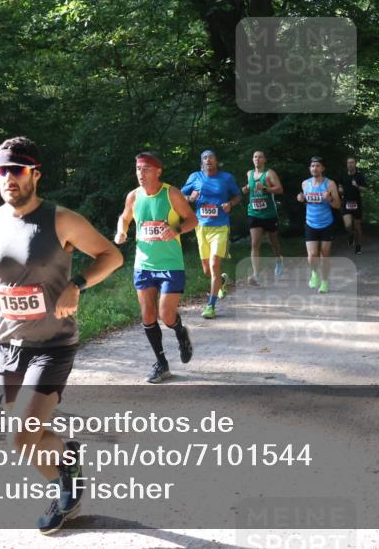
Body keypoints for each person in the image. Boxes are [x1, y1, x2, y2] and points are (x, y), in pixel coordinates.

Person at [0, 137, 123, 534]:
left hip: (53, 346)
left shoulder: (61, 220)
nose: (9, 178)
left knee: (21, 438)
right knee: (31, 434)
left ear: (35, 175)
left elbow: (112, 255)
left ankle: (64, 490)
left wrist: (77, 284)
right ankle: (68, 464)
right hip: (6, 346)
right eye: (2, 171)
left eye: (17, 171)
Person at [115, 151, 198, 384]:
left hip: (170, 264)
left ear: (158, 171)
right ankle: (161, 363)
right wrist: (121, 231)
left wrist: (176, 230)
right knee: (148, 315)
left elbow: (192, 219)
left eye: (146, 169)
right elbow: (124, 218)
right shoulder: (133, 196)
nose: (141, 174)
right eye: (138, 169)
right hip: (143, 264)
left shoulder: (171, 194)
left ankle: (181, 333)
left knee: (166, 315)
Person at [180, 150, 242, 319]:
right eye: (205, 158)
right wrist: (189, 198)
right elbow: (179, 196)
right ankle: (221, 282)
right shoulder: (195, 177)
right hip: (201, 227)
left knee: (215, 264)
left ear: (216, 161)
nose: (208, 160)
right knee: (208, 270)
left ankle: (210, 306)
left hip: (220, 226)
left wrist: (230, 203)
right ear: (202, 162)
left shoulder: (226, 178)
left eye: (211, 157)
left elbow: (238, 196)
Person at [296, 156, 341, 293]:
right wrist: (301, 199)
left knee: (325, 255)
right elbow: (306, 201)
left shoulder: (330, 184)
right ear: (310, 168)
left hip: (326, 223)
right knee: (312, 255)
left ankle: (325, 282)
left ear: (322, 168)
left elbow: (338, 205)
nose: (314, 168)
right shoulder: (305, 184)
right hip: (310, 223)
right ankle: (315, 273)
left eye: (317, 166)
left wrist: (330, 198)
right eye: (312, 166)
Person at [242, 150, 285, 285]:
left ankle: (279, 259)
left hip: (269, 213)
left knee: (273, 240)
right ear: (252, 159)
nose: (257, 159)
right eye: (255, 157)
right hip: (254, 213)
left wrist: (266, 188)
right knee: (254, 243)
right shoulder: (249, 173)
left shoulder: (269, 173)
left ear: (264, 160)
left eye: (260, 157)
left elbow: (279, 189)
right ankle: (256, 275)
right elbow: (249, 187)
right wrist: (246, 189)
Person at [338, 156, 369, 254]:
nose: (350, 164)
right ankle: (350, 235)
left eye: (352, 162)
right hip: (346, 203)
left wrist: (357, 186)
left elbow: (366, 189)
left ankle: (358, 245)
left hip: (357, 203)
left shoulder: (359, 176)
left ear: (355, 164)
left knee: (357, 226)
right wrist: (340, 190)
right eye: (348, 163)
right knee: (348, 226)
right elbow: (339, 186)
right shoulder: (343, 175)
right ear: (347, 164)